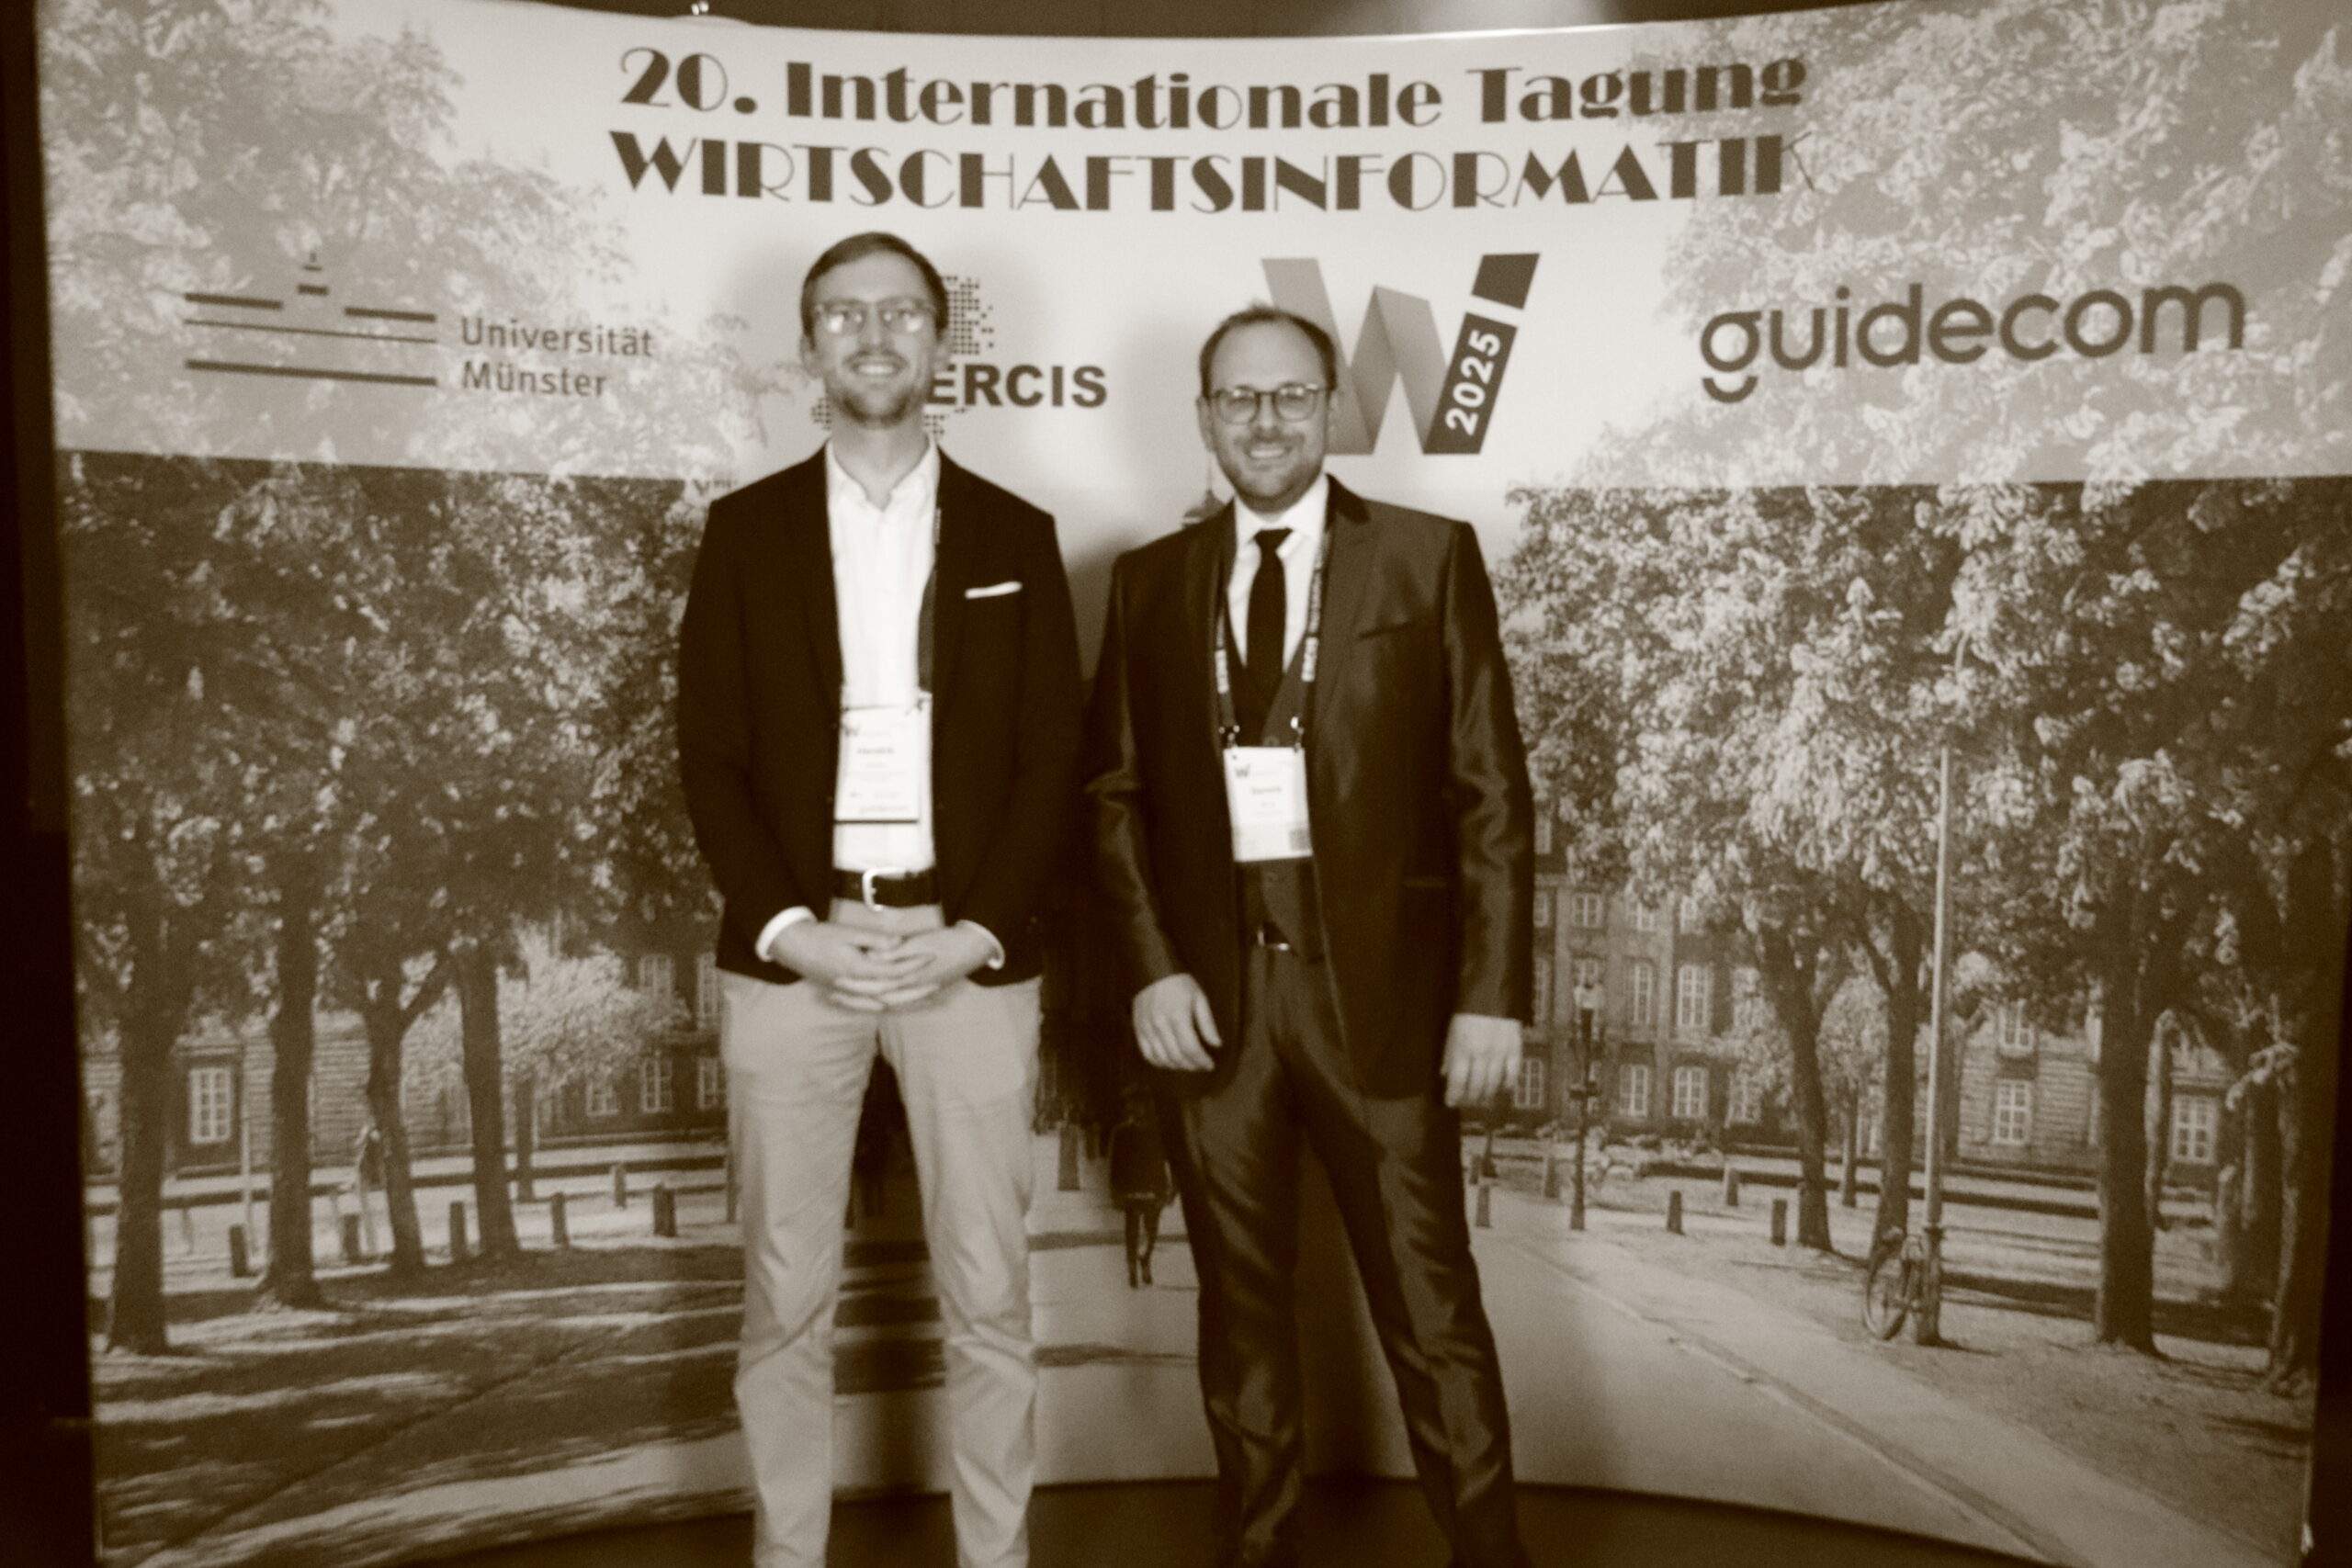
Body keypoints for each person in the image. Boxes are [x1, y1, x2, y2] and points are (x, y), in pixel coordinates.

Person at [1085, 305, 1536, 1568]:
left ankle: (1491, 1557)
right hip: (1214, 1011)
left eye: (1291, 395)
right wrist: (1153, 969)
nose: (1266, 420)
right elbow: (1112, 796)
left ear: (1332, 406)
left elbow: (1491, 793)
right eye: (1239, 398)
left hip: (1379, 1004)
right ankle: (1260, 1547)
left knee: (1431, 1312)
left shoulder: (1428, 557)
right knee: (1239, 1313)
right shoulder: (1149, 582)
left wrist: (1491, 993)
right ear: (1205, 416)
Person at [677, 231, 1082, 1568]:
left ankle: (996, 1560)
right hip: (797, 951)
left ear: (939, 339)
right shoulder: (744, 533)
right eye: (843, 313)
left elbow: (1052, 757)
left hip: (968, 950)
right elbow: (710, 754)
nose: (872, 334)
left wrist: (978, 930)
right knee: (784, 1298)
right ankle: (787, 1557)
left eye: (900, 311)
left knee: (991, 1295)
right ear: (809, 346)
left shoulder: (1018, 534)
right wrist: (792, 932)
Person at [1107, 1087, 1174, 1288]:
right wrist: (1115, 1190)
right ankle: (1132, 1267)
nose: (1136, 1108)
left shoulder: (1157, 1131)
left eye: (1139, 1104)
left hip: (1153, 1187)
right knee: (1132, 1231)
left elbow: (1166, 1159)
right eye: (1133, 1104)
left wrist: (1169, 1187)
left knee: (1152, 1231)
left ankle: (1145, 1257)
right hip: (1131, 1188)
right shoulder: (1121, 1132)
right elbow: (1115, 1163)